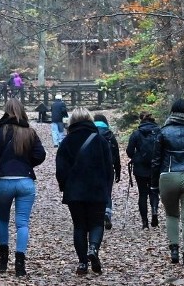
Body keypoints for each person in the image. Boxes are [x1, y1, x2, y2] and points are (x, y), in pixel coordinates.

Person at [0, 98, 47, 276]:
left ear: (6, 110)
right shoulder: (30, 132)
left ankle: (3, 260)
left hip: (4, 181)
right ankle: (20, 262)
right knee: (22, 223)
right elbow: (41, 154)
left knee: (3, 220)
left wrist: (0, 165)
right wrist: (27, 165)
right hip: (25, 181)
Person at [56, 107, 114, 275]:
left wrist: (64, 186)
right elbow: (108, 168)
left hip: (75, 191)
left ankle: (82, 263)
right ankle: (93, 249)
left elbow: (60, 168)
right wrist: (107, 189)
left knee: (79, 226)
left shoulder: (67, 142)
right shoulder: (100, 140)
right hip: (97, 189)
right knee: (97, 223)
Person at [151, 99, 184, 266]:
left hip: (168, 175)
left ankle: (174, 249)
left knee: (171, 215)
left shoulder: (163, 131)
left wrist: (153, 183)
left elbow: (156, 160)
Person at [125, 113, 161, 229]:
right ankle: (154, 211)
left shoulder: (136, 134)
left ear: (141, 121)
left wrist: (136, 157)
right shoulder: (159, 132)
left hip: (140, 168)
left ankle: (144, 222)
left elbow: (129, 151)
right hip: (155, 167)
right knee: (154, 191)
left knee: (142, 194)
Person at [93, 114, 121, 230]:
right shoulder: (109, 134)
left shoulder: (90, 133)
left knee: (94, 192)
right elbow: (116, 153)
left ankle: (96, 215)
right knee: (107, 192)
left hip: (93, 168)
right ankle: (107, 213)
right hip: (108, 168)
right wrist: (118, 170)